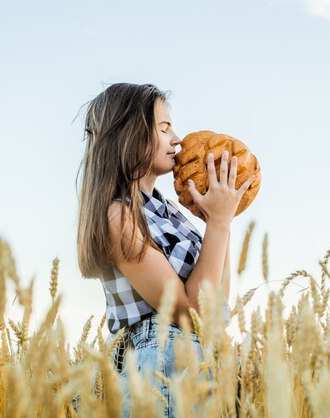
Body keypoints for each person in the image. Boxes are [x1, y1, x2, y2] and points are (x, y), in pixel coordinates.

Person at [75, 82, 254, 417]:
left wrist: (221, 222)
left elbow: (214, 304)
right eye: (164, 127)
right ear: (129, 135)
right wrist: (216, 224)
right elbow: (187, 311)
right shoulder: (118, 214)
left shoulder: (167, 210)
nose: (177, 139)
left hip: (201, 359)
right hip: (161, 361)